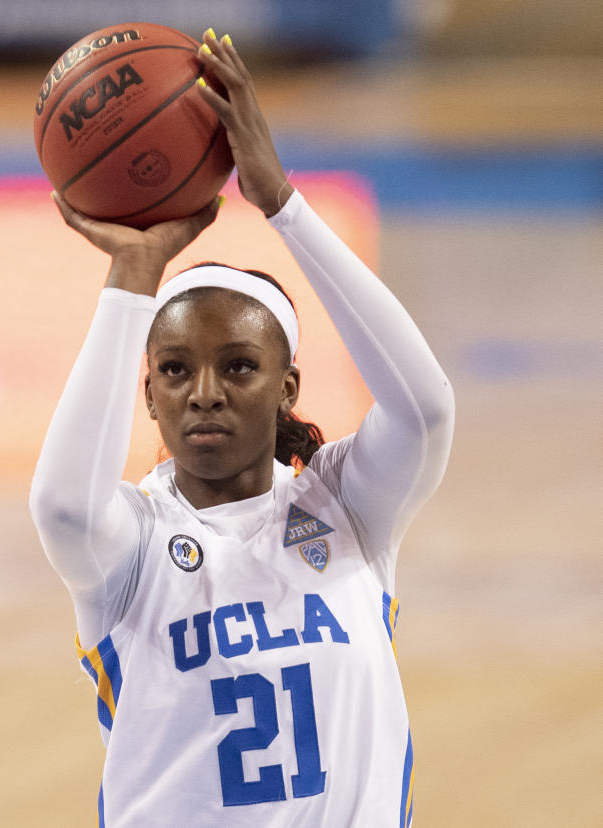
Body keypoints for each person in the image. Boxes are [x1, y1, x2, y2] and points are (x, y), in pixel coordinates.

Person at [28, 29, 454, 826]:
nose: (205, 394)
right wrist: (131, 278)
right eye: (177, 371)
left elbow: (424, 408)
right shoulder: (133, 546)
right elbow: (59, 508)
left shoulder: (347, 511)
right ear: (147, 395)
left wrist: (282, 204)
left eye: (240, 367)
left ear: (288, 388)